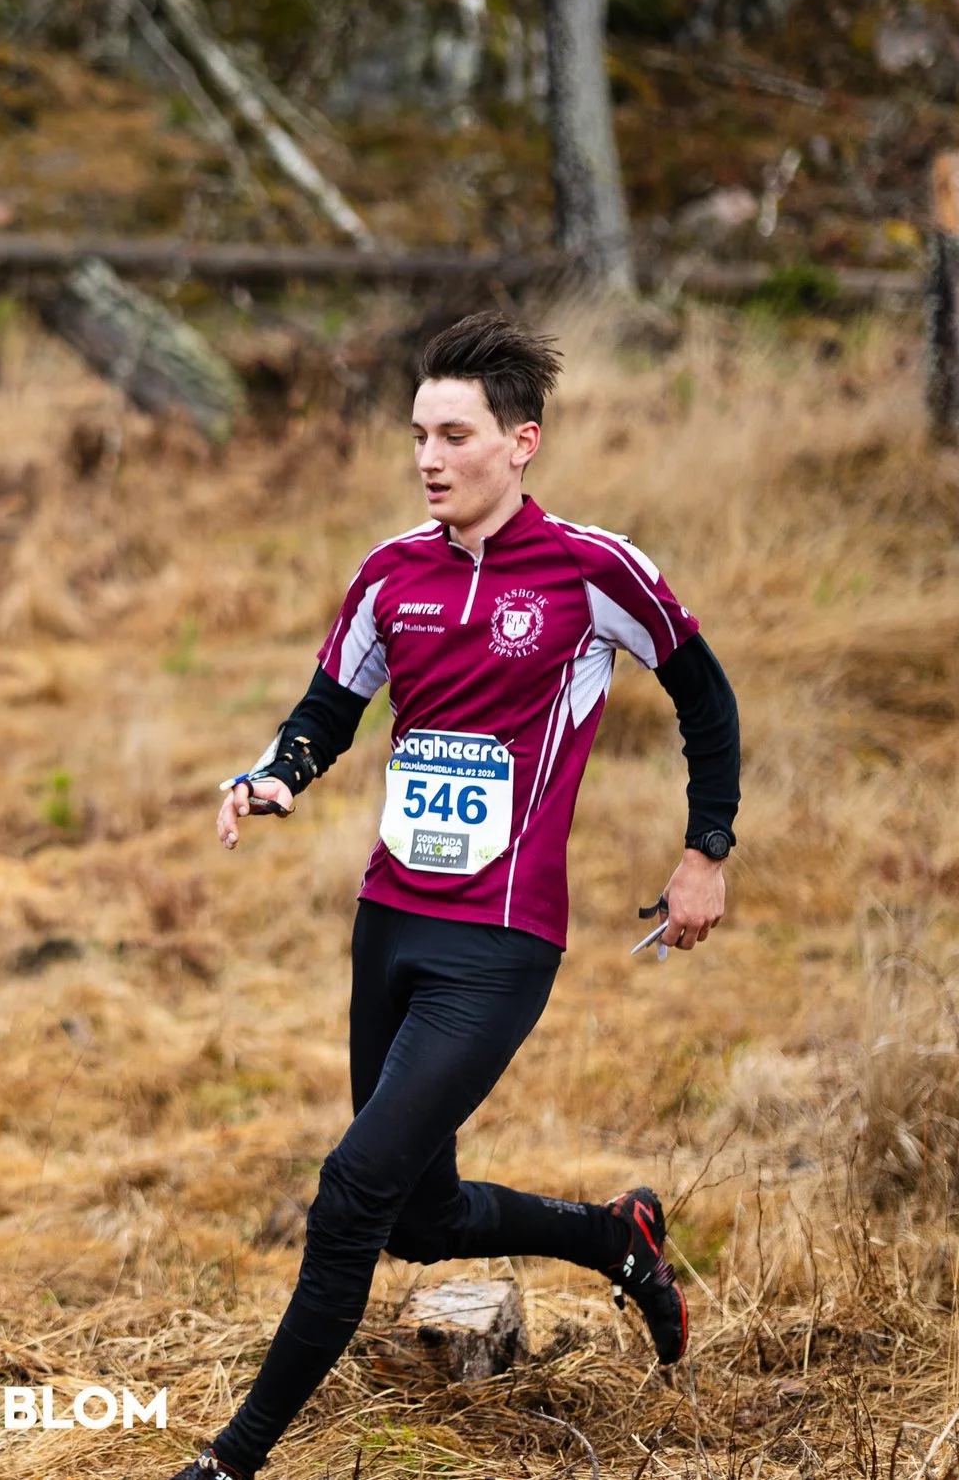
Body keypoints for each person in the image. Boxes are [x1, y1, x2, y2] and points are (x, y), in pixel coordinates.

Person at [171, 313, 742, 1480]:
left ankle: (230, 1461)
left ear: (520, 441)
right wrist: (274, 775)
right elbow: (329, 707)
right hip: (390, 925)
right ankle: (612, 1235)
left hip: (499, 940)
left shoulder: (592, 570)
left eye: (455, 435)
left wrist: (707, 849)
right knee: (417, 1216)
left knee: (349, 1192)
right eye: (418, 435)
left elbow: (707, 698)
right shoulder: (392, 571)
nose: (429, 458)